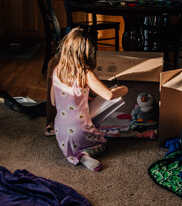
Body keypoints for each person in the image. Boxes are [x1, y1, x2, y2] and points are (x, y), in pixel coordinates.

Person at [50, 27, 128, 171]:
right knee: (102, 143)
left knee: (81, 125)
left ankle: (75, 152)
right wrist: (123, 89)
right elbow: (108, 95)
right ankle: (84, 154)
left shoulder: (57, 70)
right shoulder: (85, 73)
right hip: (78, 130)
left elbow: (55, 101)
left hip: (60, 131)